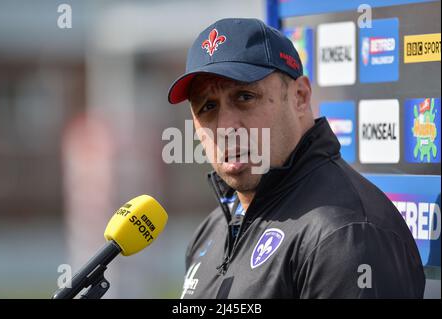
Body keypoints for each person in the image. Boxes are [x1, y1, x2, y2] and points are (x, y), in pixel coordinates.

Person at [168, 18, 425, 298]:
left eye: (244, 96)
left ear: (300, 97)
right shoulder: (212, 230)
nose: (226, 126)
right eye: (208, 106)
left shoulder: (345, 233)